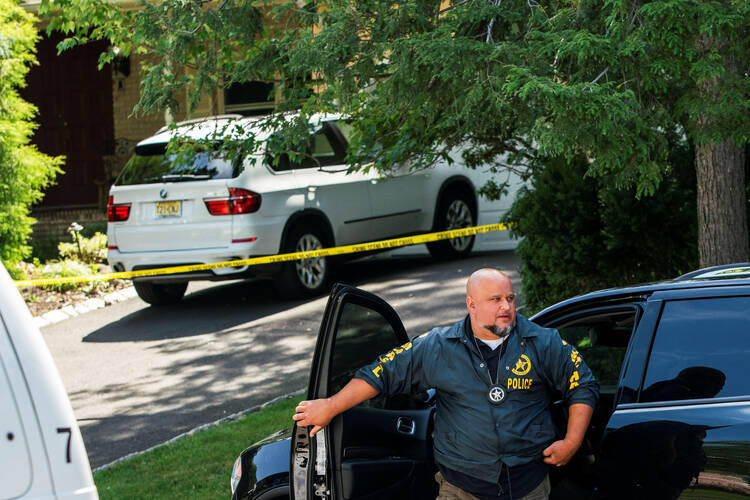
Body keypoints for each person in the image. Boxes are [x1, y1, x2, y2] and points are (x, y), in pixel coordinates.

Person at [293, 268, 599, 500]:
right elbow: (381, 373)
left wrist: (572, 442)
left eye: (509, 298)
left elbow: (581, 384)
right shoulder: (437, 346)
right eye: (495, 300)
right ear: (472, 305)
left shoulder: (542, 342)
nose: (506, 306)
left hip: (528, 485)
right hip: (461, 487)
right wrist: (331, 406)